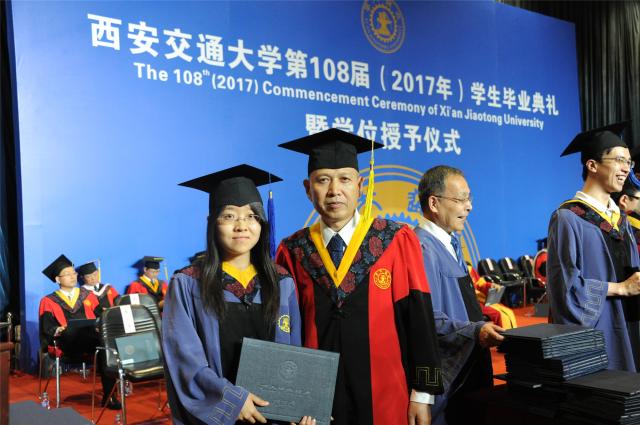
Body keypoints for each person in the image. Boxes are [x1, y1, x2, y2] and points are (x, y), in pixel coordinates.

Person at [276, 129, 443, 425]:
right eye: (322, 180)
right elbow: (285, 331)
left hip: (386, 393)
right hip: (316, 401)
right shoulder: (293, 250)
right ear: (307, 188)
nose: (334, 190)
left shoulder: (394, 239)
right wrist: (289, 398)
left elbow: (418, 317)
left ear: (360, 185)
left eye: (344, 179)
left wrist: (423, 393)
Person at [162, 164, 313, 425]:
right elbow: (183, 358)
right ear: (213, 224)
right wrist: (231, 399)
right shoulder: (188, 283)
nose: (242, 225)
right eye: (229, 216)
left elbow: (293, 354)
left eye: (252, 216)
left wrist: (297, 407)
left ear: (262, 224)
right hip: (220, 415)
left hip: (271, 415)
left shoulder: (281, 282)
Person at [413, 165, 504, 425]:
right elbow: (426, 319)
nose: (469, 207)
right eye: (461, 199)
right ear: (434, 203)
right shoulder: (422, 248)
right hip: (451, 376)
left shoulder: (449, 242)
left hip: (471, 363)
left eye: (469, 198)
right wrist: (475, 331)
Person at [547, 121, 640, 372]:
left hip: (632, 325)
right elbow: (564, 290)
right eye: (619, 160)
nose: (626, 169)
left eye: (628, 162)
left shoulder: (621, 220)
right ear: (592, 165)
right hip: (601, 332)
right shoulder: (568, 218)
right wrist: (620, 288)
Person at [38, 254, 120, 409]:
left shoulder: (88, 296)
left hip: (91, 343)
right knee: (70, 330)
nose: (72, 276)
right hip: (67, 344)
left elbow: (99, 317)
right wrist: (58, 329)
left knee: (107, 345)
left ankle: (110, 396)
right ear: (57, 279)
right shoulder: (48, 301)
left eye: (73, 273)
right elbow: (46, 328)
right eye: (67, 274)